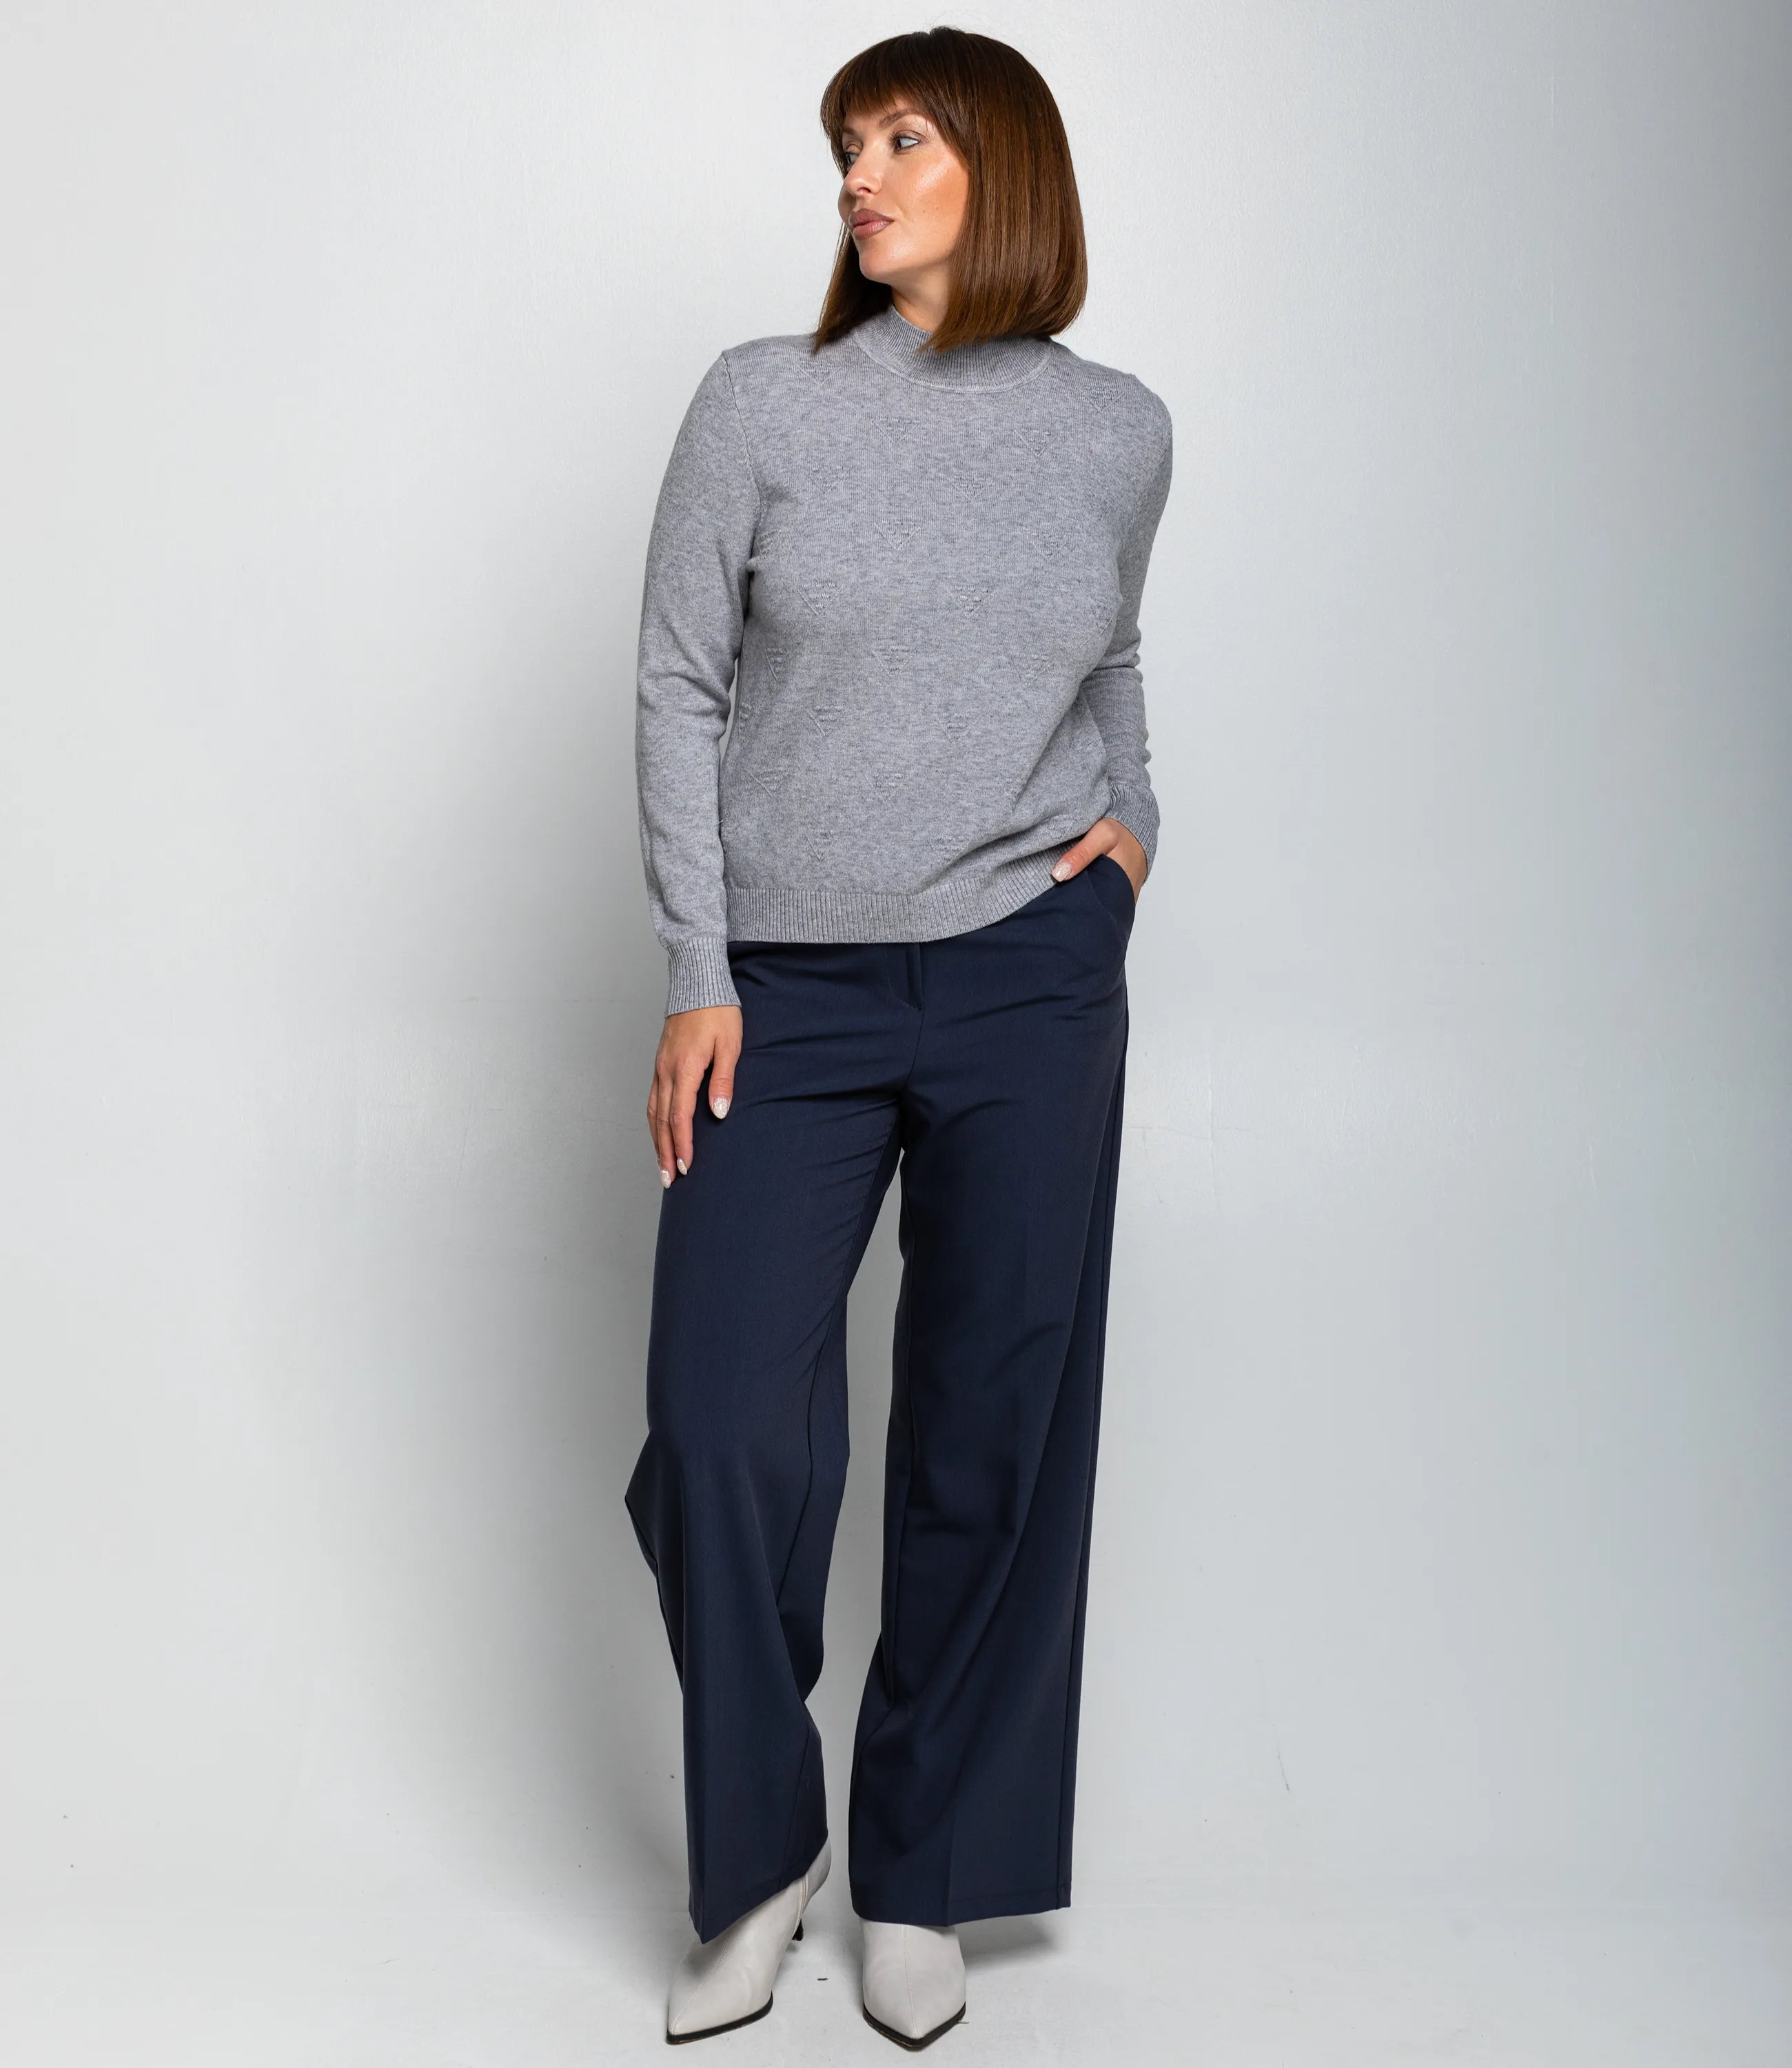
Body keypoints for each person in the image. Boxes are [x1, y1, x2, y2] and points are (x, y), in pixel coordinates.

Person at [624, 25, 1172, 2050]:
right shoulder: (763, 401)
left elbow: (1108, 656)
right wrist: (700, 967)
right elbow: (681, 680)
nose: (859, 173)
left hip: (1033, 971)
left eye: (905, 138)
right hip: (789, 983)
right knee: (720, 1425)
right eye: (848, 143)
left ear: (1001, 168)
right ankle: (764, 1849)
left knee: (995, 1424)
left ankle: (923, 1870)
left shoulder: (1119, 430)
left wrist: (1135, 832)